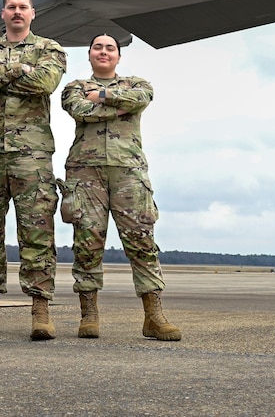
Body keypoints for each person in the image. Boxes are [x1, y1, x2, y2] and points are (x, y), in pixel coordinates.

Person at [59, 34, 180, 341]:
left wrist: (100, 96)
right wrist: (117, 104)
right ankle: (89, 315)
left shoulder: (138, 84)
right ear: (89, 55)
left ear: (118, 56)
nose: (103, 52)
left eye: (109, 48)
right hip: (86, 174)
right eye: (97, 48)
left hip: (129, 173)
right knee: (87, 244)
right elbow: (78, 110)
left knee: (142, 243)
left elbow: (139, 100)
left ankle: (154, 316)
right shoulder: (74, 88)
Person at [0, 0, 66, 340]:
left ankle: (40, 310)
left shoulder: (50, 50)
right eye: (11, 7)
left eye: (23, 7)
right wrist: (21, 69)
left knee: (37, 232)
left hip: (32, 156)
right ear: (2, 13)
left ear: (33, 13)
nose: (17, 12)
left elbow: (45, 82)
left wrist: (5, 71)